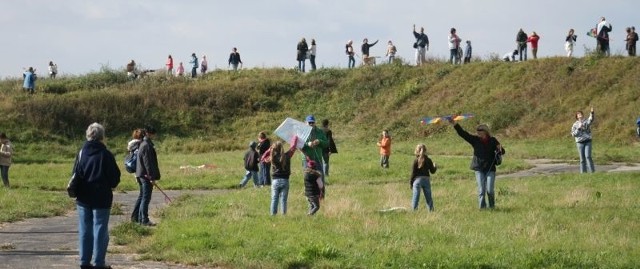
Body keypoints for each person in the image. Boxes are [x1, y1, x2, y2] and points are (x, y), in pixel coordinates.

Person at [73, 123, 121, 269]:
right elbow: (115, 178)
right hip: (102, 196)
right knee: (100, 228)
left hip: (82, 196)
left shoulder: (81, 153)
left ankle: (84, 262)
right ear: (102, 137)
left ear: (88, 135)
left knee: (85, 229)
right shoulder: (106, 154)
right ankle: (99, 263)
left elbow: (75, 174)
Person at [449, 119, 505, 209]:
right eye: (477, 131)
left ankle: (492, 207)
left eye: (480, 131)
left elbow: (502, 152)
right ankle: (482, 208)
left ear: (485, 132)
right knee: (481, 191)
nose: (478, 132)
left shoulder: (493, 140)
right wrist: (455, 124)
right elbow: (463, 134)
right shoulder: (475, 140)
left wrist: (500, 149)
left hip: (490, 169)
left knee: (490, 190)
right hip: (479, 168)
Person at [261, 137, 298, 216]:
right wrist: (295, 137)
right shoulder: (287, 156)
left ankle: (273, 215)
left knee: (274, 199)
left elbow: (262, 158)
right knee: (283, 200)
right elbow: (293, 147)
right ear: (282, 148)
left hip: (275, 181)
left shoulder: (272, 157)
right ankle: (283, 215)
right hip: (285, 180)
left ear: (273, 149)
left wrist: (269, 149)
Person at [133, 126, 160, 226]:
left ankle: (135, 218)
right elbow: (147, 163)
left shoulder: (143, 144)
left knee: (142, 197)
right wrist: (151, 178)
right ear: (148, 133)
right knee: (146, 198)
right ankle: (144, 220)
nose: (154, 135)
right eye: (153, 133)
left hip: (141, 174)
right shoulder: (146, 145)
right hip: (145, 176)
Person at [410, 144, 437, 211]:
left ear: (417, 151)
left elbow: (413, 173)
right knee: (428, 197)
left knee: (416, 197)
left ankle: (414, 210)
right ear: (425, 151)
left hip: (417, 180)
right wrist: (435, 166)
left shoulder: (416, 160)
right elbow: (432, 171)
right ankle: (431, 210)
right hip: (426, 180)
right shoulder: (428, 160)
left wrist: (411, 183)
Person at [571, 107, 595, 173]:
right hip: (579, 143)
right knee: (582, 159)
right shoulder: (575, 124)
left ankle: (592, 172)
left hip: (588, 141)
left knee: (588, 156)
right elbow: (573, 134)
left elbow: (591, 119)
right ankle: (583, 173)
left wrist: (592, 112)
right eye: (578, 114)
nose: (580, 115)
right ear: (577, 116)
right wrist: (579, 128)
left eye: (580, 113)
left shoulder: (586, 121)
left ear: (583, 115)